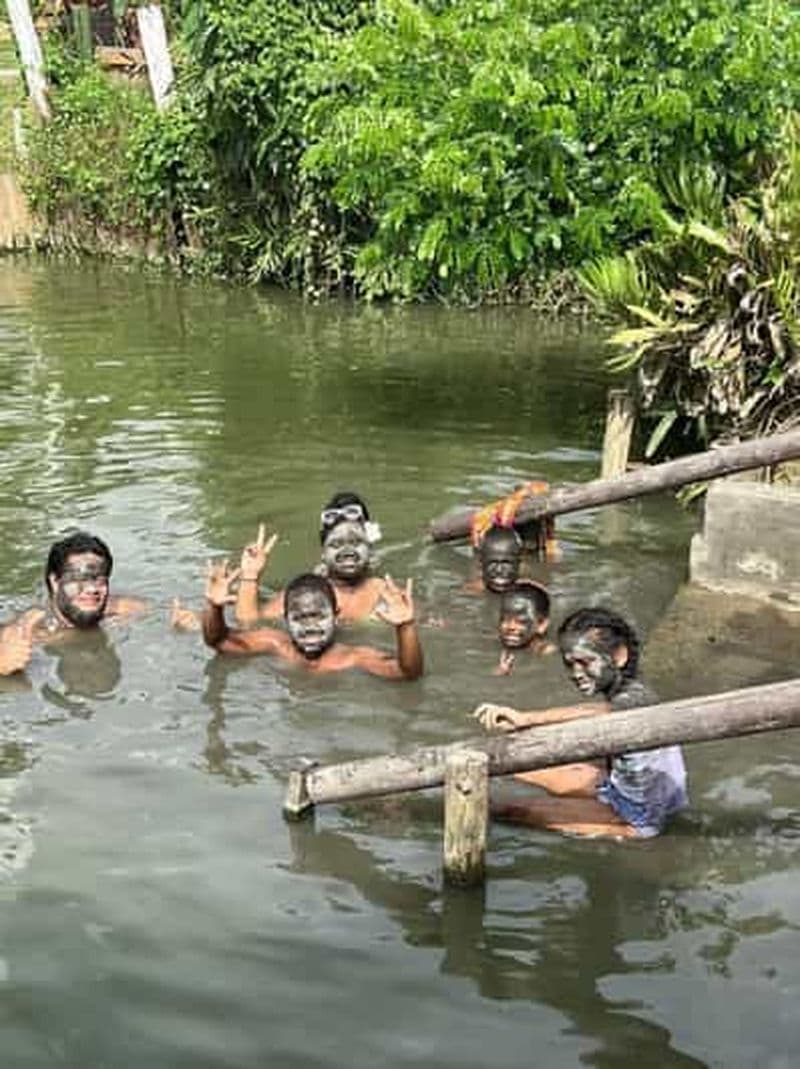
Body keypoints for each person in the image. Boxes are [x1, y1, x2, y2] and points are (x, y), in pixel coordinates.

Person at [474, 607, 688, 838]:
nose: (576, 673)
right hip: (617, 787)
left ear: (619, 656)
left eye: (585, 662)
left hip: (636, 817)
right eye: (570, 664)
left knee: (510, 810)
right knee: (513, 765)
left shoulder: (638, 699)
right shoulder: (626, 694)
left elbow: (602, 714)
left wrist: (527, 719)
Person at [203, 561, 424, 680]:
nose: (310, 626)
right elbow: (218, 641)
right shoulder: (276, 644)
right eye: (299, 618)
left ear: (336, 616)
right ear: (286, 619)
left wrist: (405, 627)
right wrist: (213, 607)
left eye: (318, 616)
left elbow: (407, 672)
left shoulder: (353, 658)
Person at [0, 531, 145, 676]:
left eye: (100, 580)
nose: (92, 589)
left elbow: (157, 611)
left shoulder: (118, 609)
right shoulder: (34, 632)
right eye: (79, 579)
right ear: (55, 582)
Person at [235, 492, 389, 625]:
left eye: (355, 542)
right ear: (323, 553)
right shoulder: (307, 591)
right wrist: (250, 576)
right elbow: (249, 626)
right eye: (336, 544)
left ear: (369, 548)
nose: (347, 551)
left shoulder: (386, 593)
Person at [494, 580, 554, 675]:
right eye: (505, 619)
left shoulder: (547, 654)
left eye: (521, 622)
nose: (511, 627)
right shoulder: (496, 642)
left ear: (542, 625)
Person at [476, 524, 523, 594]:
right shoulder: (470, 594)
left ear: (519, 563)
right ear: (481, 564)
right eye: (492, 563)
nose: (499, 570)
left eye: (506, 563)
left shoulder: (534, 593)